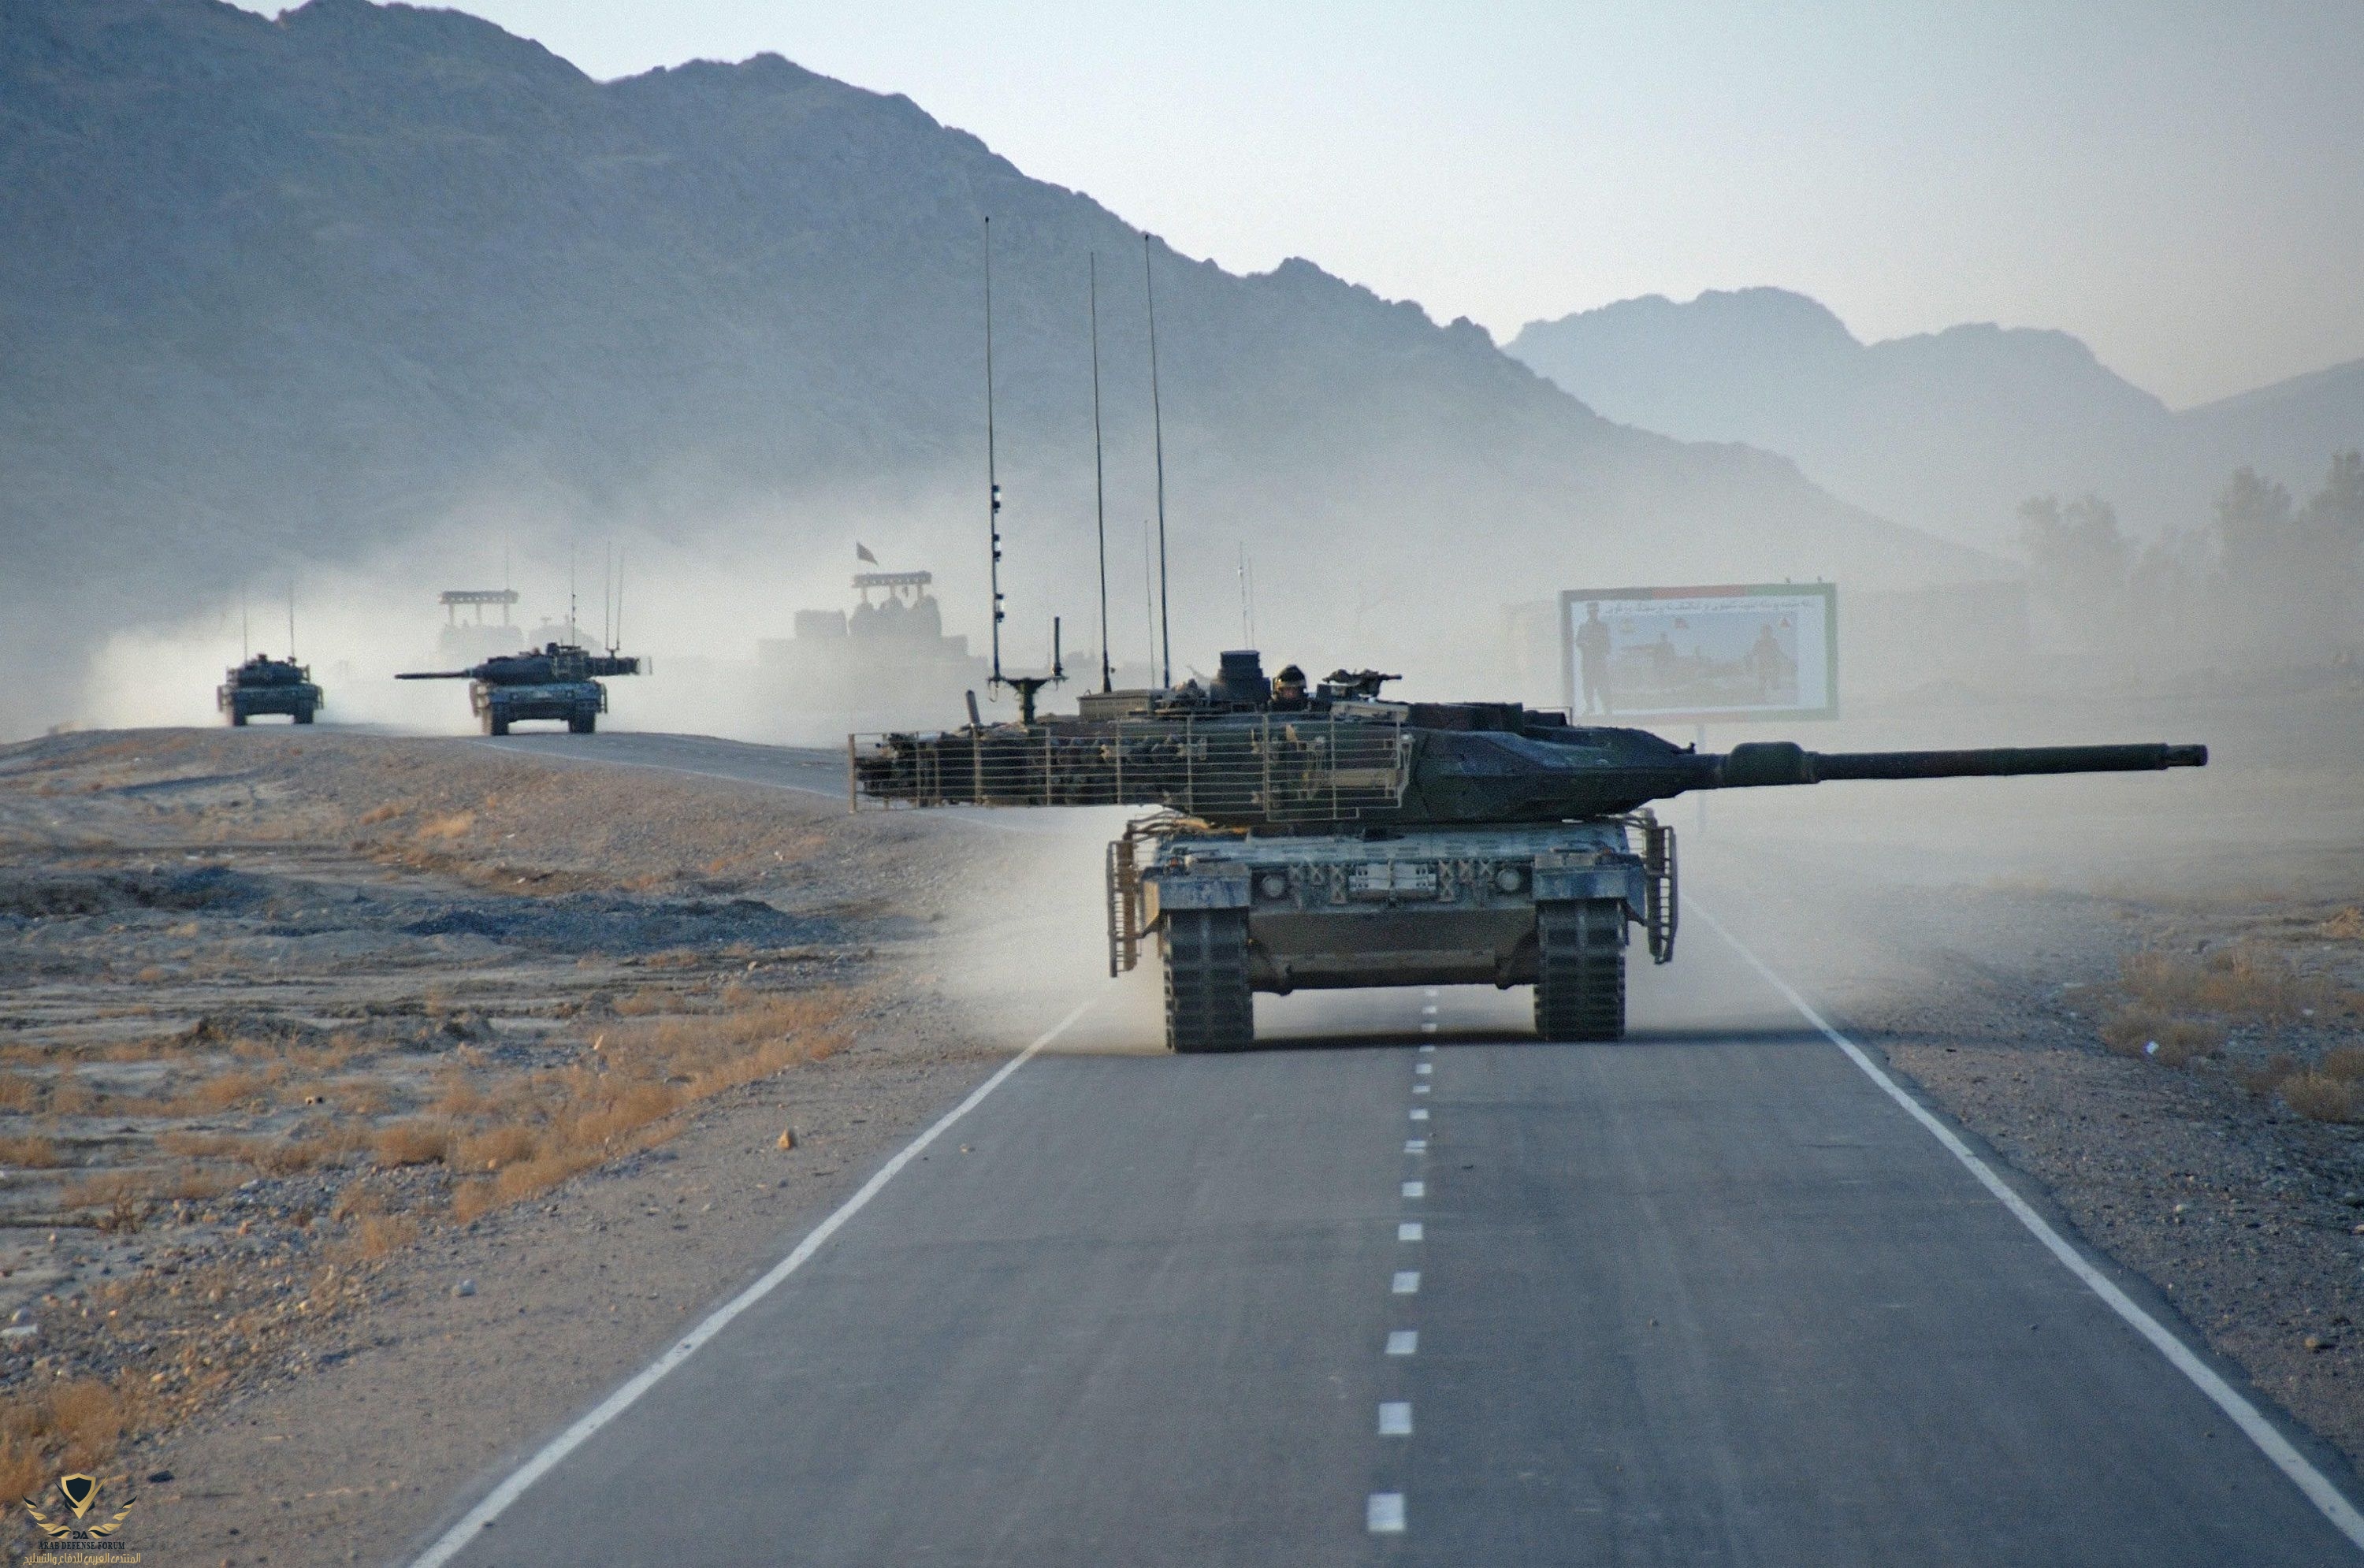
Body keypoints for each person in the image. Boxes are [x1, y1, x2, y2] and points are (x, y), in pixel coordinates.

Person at [1575, 601, 1612, 715]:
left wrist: (1600, 647)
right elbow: (1578, 641)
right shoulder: (1583, 627)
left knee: (1603, 686)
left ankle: (1607, 708)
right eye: (1591, 611)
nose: (1593, 613)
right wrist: (1585, 644)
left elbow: (1607, 645)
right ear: (1588, 612)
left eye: (1595, 611)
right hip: (1587, 663)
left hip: (1600, 662)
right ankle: (1590, 706)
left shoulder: (1603, 626)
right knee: (1587, 686)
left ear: (1597, 612)